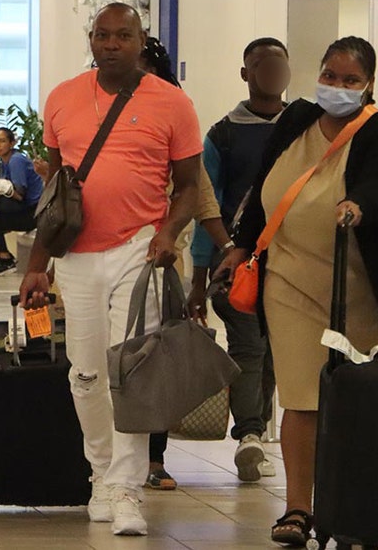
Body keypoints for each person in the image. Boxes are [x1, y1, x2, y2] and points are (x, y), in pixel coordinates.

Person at [218, 36, 378, 546]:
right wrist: (241, 247)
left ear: (369, 84)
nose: (337, 87)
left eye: (350, 80)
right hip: (289, 280)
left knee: (370, 398)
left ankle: (365, 503)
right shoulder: (296, 120)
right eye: (330, 75)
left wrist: (357, 205)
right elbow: (266, 188)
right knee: (302, 396)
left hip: (366, 287)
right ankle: (298, 510)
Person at [19, 4, 204, 535]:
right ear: (92, 40)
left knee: (131, 372)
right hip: (76, 255)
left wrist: (167, 234)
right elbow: (55, 192)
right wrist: (38, 265)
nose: (111, 44)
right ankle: (100, 475)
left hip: (138, 249)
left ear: (140, 40)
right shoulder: (62, 97)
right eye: (102, 35)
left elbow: (190, 185)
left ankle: (127, 489)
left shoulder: (172, 103)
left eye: (123, 35)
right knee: (85, 373)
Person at [189, 38, 290, 485]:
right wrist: (197, 277)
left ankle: (256, 429)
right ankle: (250, 434)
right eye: (260, 64)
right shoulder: (223, 134)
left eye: (278, 63)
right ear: (245, 74)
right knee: (249, 345)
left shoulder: (305, 126)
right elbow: (204, 204)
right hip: (236, 264)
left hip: (290, 262)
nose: (271, 71)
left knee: (274, 352)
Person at [137, 37, 234, 492]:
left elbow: (201, 192)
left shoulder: (177, 116)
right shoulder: (95, 109)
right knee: (102, 360)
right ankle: (107, 455)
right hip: (99, 255)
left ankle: (153, 458)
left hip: (160, 259)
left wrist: (228, 251)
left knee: (158, 357)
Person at [0, 127, 44, 276]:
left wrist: (0, 191)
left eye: (2, 141)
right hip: (25, 209)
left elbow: (19, 194)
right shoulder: (4, 162)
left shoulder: (16, 161)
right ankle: (4, 258)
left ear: (12, 143)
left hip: (34, 212)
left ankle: (5, 259)